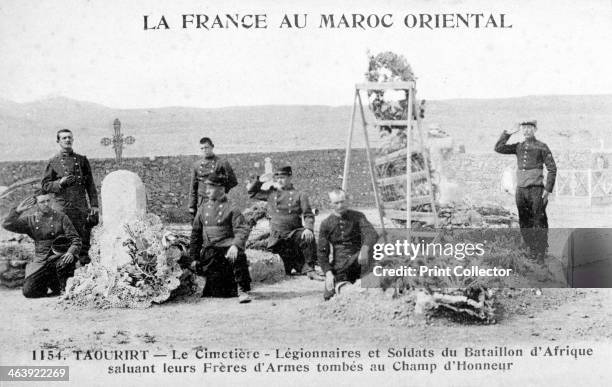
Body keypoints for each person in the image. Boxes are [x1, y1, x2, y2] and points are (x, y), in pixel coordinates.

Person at [494, 120, 557, 260]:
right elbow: (498, 148)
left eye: (530, 127)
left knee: (538, 221)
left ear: (535, 129)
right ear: (521, 130)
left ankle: (541, 252)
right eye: (524, 128)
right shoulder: (518, 147)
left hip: (536, 190)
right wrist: (508, 133)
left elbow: (552, 169)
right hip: (521, 191)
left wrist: (548, 189)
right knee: (524, 221)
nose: (527, 130)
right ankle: (530, 250)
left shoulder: (542, 146)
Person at [247, 165, 321, 279]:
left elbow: (308, 214)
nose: (280, 180)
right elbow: (252, 193)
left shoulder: (300, 194)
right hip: (277, 236)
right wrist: (260, 180)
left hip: (294, 233)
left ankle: (311, 270)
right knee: (287, 265)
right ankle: (295, 266)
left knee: (307, 236)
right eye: (278, 178)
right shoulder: (271, 193)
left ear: (290, 177)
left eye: (283, 177)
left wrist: (308, 228)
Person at [2, 192, 81, 298]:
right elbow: (7, 224)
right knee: (28, 292)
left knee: (64, 275)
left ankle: (60, 285)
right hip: (41, 260)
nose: (46, 204)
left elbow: (76, 239)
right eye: (42, 202)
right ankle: (49, 284)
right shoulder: (31, 220)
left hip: (60, 257)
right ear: (37, 204)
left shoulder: (61, 217)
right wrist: (17, 211)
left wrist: (71, 252)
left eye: (48, 201)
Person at [189, 173, 252, 303]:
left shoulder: (232, 209)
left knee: (238, 256)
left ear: (221, 189)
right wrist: (194, 257)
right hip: (211, 253)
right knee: (216, 292)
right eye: (206, 187)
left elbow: (242, 230)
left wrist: (235, 245)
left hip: (228, 250)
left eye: (210, 187)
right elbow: (196, 234)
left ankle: (242, 290)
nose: (207, 191)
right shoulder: (202, 209)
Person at [41, 129, 98, 264]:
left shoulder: (82, 160)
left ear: (73, 140)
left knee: (84, 239)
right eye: (64, 138)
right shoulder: (53, 162)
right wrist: (59, 183)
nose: (67, 140)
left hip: (80, 206)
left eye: (69, 138)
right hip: (62, 207)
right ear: (58, 141)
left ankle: (84, 275)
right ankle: (63, 275)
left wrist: (94, 205)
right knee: (62, 241)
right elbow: (44, 186)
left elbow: (90, 184)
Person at [318, 189, 379, 300]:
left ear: (347, 201)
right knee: (328, 294)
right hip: (340, 265)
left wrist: (364, 249)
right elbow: (322, 252)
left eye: (343, 201)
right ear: (330, 204)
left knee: (370, 286)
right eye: (336, 203)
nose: (340, 205)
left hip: (359, 259)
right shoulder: (326, 224)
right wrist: (328, 273)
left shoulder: (358, 217)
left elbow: (371, 234)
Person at [189, 137, 238, 218]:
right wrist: (191, 206)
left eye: (206, 147)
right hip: (202, 202)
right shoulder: (196, 165)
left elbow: (233, 181)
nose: (204, 150)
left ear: (212, 147)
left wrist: (220, 191)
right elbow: (193, 188)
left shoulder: (222, 163)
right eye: (202, 148)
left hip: (217, 201)